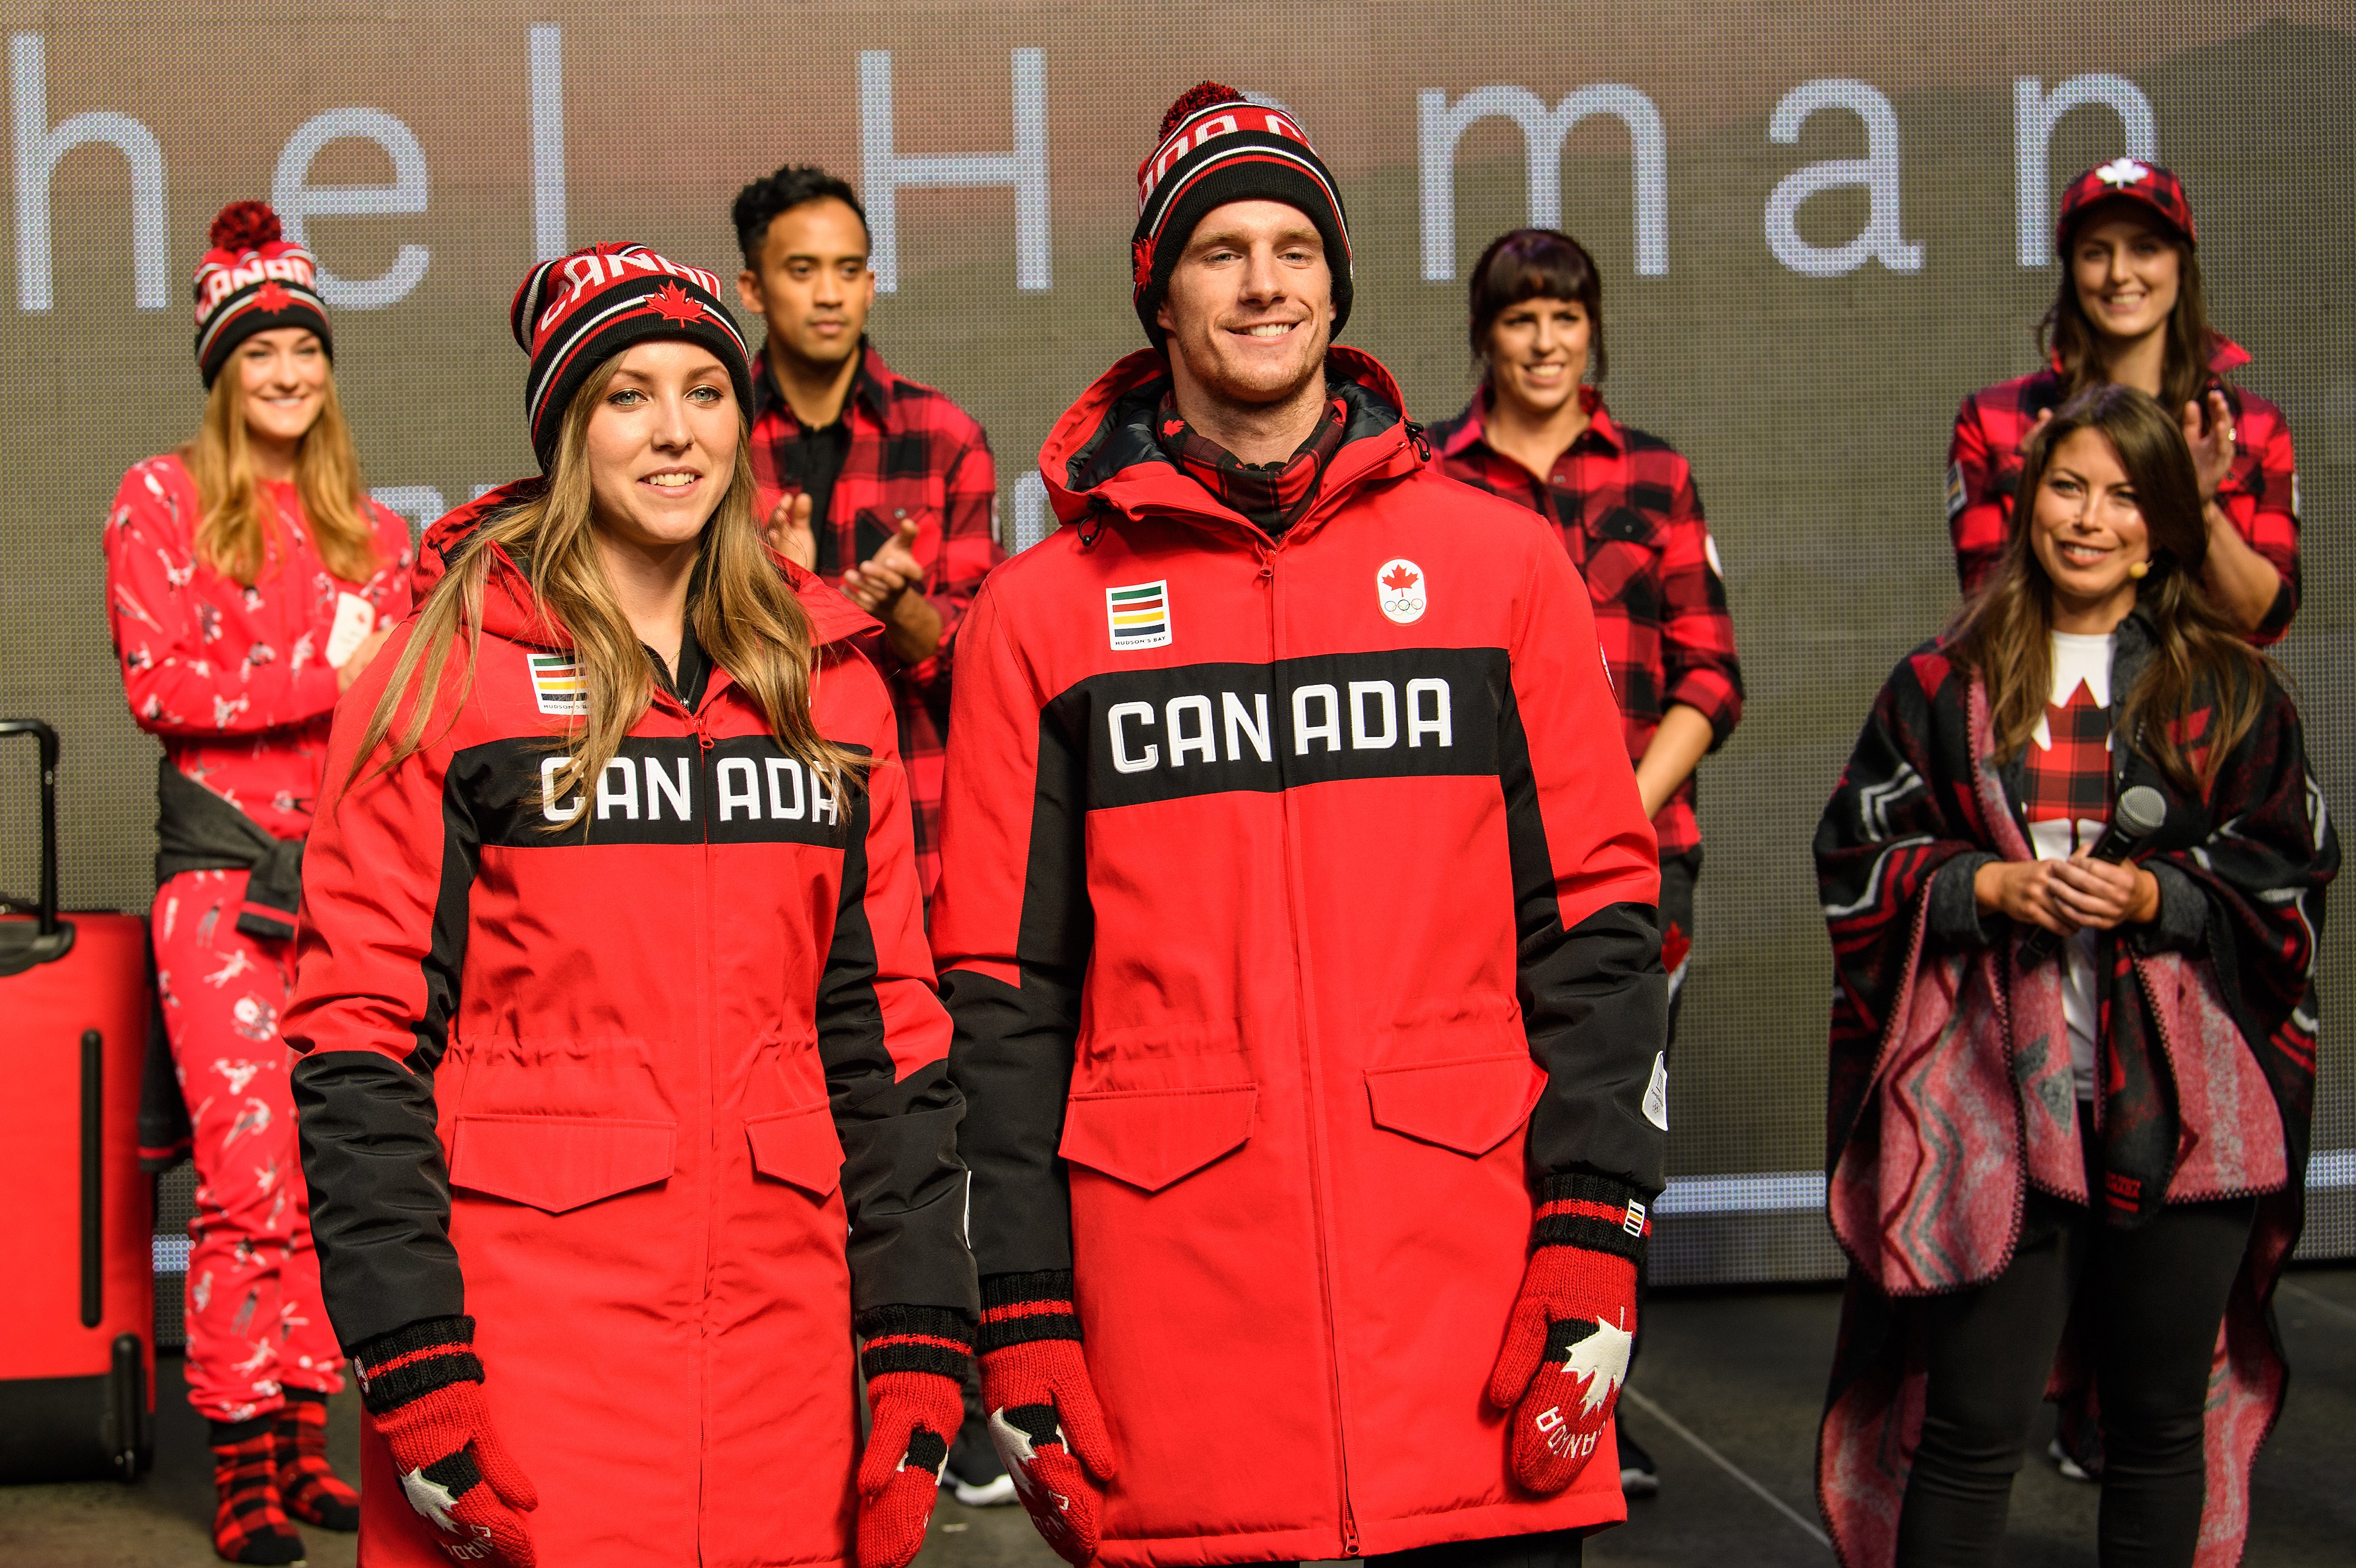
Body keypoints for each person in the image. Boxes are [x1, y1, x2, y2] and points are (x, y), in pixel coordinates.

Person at [934, 84, 1667, 1568]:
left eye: (1292, 245)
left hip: (1471, 1339)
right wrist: (1016, 1309)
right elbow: (1000, 1003)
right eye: (1218, 250)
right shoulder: (1035, 618)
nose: (1263, 281)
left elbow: (1596, 924)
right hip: (1177, 1370)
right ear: (1158, 294)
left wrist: (1592, 1231)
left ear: (1335, 283)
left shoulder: (1500, 569)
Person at [282, 244, 975, 1568]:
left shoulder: (828, 689)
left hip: (787, 1366)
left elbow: (887, 1037)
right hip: (524, 1356)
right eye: (626, 394)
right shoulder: (444, 681)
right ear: (564, 426)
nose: (674, 432)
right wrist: (417, 1366)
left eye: (705, 391)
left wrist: (922, 1343)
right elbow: (357, 1039)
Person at [1816, 385, 2334, 1567]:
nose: (2089, 518)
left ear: (2162, 522)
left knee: (2156, 1427)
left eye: (2122, 494)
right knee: (1967, 1427)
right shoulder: (1938, 685)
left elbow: (2289, 870)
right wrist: (1981, 889)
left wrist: (2159, 896)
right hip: (1992, 1105)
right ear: (2022, 499)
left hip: (2183, 1117)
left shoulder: (2226, 688)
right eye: (2065, 486)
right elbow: (1853, 848)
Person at [102, 200, 410, 1565]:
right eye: (260, 351)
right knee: (245, 1185)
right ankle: (237, 1457)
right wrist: (325, 675)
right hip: (225, 890)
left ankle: (297, 1439)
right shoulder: (160, 500)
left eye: (306, 349)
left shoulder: (375, 529)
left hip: (345, 888)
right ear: (223, 370)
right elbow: (159, 687)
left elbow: (396, 712)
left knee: (327, 1179)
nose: (286, 371)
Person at [1429, 229, 1743, 1497]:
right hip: (1479, 875)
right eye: (1520, 320)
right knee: (1498, 1132)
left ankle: (1596, 1403)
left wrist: (1601, 810)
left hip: (1634, 865)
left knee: (1608, 1130)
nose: (1544, 341)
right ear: (1485, 337)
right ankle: (1479, 1397)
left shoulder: (1654, 472)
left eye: (1564, 317)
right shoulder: (1433, 481)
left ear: (1592, 330)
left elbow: (1710, 677)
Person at [733, 163, 1005, 904]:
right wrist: (785, 596)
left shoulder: (944, 438)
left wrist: (903, 613)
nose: (830, 294)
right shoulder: (711, 443)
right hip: (753, 822)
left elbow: (991, 682)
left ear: (870, 282)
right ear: (752, 288)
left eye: (848, 270)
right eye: (802, 270)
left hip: (914, 832)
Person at [1948, 160, 2298, 642]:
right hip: (2049, 701)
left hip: (2200, 706)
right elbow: (1987, 620)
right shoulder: (1994, 420)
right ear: (2071, 270)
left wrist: (2197, 509)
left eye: (2145, 249)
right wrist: (2036, 494)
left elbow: (2268, 621)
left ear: (2181, 264)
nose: (2119, 274)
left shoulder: (2251, 426)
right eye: (2096, 253)